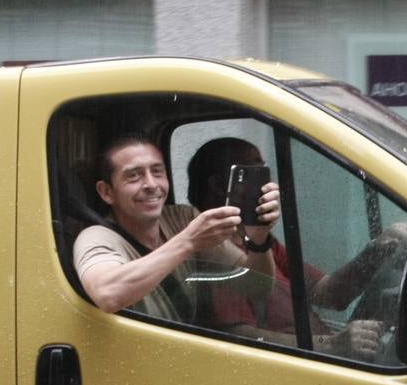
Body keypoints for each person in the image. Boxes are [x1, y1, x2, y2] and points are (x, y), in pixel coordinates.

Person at [187, 137, 407, 361]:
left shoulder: (257, 240)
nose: (268, 185)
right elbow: (235, 336)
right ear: (219, 187)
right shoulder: (213, 249)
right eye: (256, 174)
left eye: (266, 171)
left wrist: (377, 250)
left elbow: (328, 293)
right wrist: (333, 345)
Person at [73, 134, 280, 321]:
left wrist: (258, 237)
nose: (151, 184)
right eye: (134, 176)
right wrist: (188, 242)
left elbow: (256, 287)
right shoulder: (95, 237)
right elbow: (108, 295)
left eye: (157, 172)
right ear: (106, 192)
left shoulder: (182, 218)